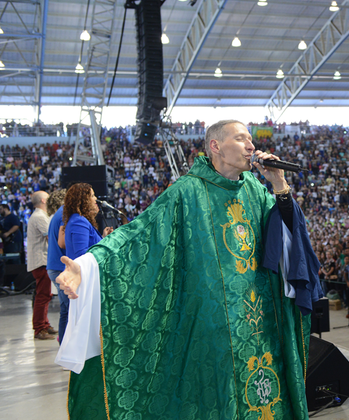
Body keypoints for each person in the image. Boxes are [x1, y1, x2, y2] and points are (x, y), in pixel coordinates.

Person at [55, 120, 323, 420]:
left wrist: (278, 183)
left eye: (251, 139)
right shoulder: (187, 192)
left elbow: (287, 235)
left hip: (261, 323)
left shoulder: (255, 190)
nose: (251, 145)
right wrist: (87, 266)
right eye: (241, 139)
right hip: (212, 331)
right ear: (215, 146)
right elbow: (138, 235)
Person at [26, 191, 56, 340]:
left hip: (41, 260)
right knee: (43, 295)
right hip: (41, 260)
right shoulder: (39, 217)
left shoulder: (39, 216)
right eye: (48, 197)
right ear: (44, 200)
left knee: (46, 294)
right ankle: (39, 328)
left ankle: (44, 323)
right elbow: (50, 237)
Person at [46, 188, 68, 344]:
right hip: (60, 267)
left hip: (54, 266)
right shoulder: (64, 213)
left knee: (65, 310)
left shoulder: (58, 214)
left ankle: (64, 343)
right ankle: (66, 345)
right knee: (69, 310)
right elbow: (63, 242)